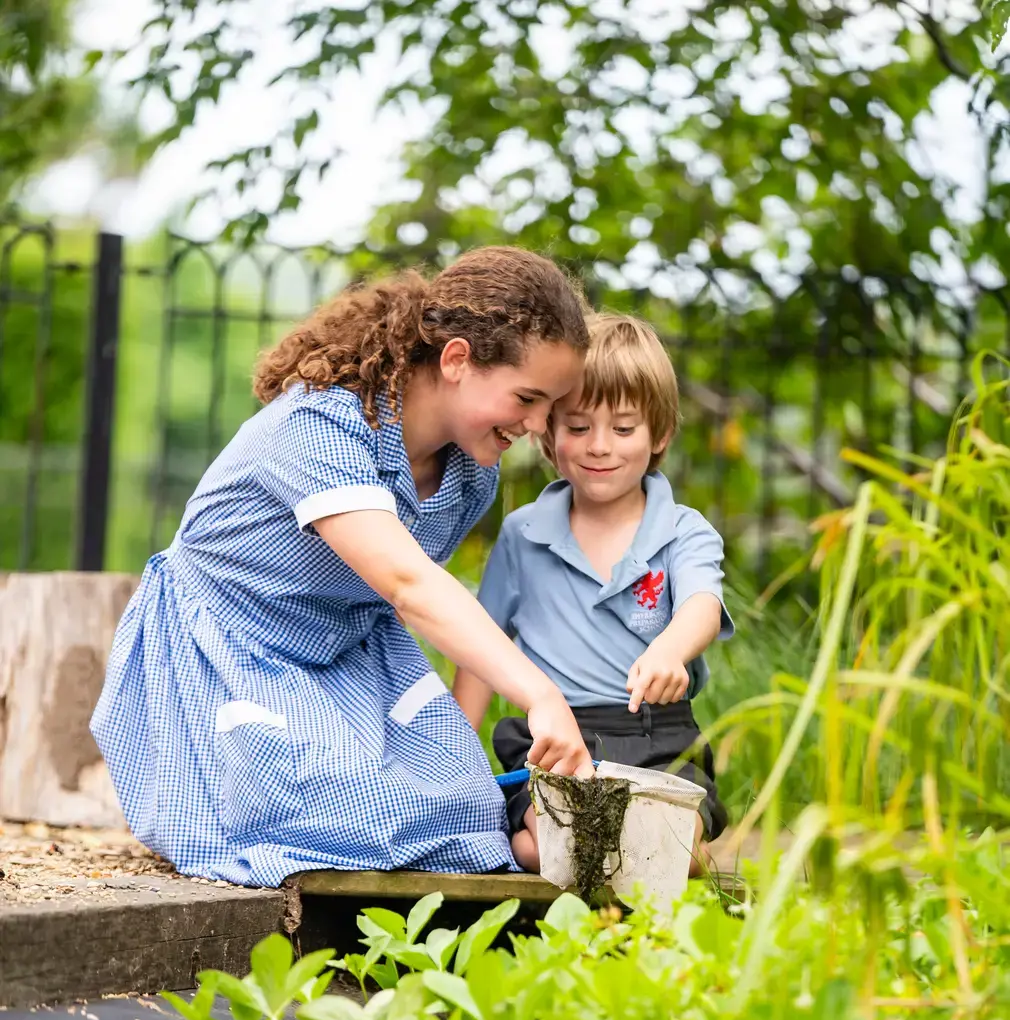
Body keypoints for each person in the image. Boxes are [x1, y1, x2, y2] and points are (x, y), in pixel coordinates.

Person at [91, 248, 594, 888]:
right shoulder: (320, 425)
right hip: (231, 647)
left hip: (350, 656)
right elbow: (407, 584)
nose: (538, 425)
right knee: (339, 804)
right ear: (458, 360)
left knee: (467, 808)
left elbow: (407, 598)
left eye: (551, 405)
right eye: (528, 398)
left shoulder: (469, 475)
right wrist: (541, 694)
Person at [453, 313, 733, 875]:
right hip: (555, 741)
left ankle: (660, 871)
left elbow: (703, 604)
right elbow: (480, 645)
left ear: (660, 434)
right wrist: (455, 745)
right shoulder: (524, 534)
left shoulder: (682, 529)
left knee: (677, 855)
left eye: (623, 429)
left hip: (658, 734)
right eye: (578, 427)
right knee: (537, 850)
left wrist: (670, 649)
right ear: (548, 432)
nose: (599, 446)